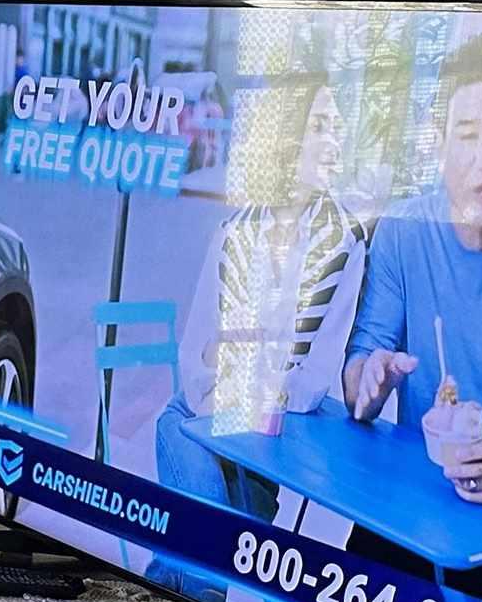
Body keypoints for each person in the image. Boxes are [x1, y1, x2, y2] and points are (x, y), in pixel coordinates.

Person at [156, 73, 364, 525]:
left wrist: (240, 369)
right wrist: (243, 366)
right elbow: (195, 360)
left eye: (337, 128)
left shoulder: (344, 243)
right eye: (319, 127)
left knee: (194, 503)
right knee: (178, 426)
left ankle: (194, 566)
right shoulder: (233, 232)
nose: (334, 143)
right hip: (207, 413)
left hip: (268, 439)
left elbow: (311, 386)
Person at [343, 33, 482, 505]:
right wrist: (371, 380)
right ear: (439, 144)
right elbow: (360, 373)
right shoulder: (404, 231)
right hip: (416, 500)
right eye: (468, 135)